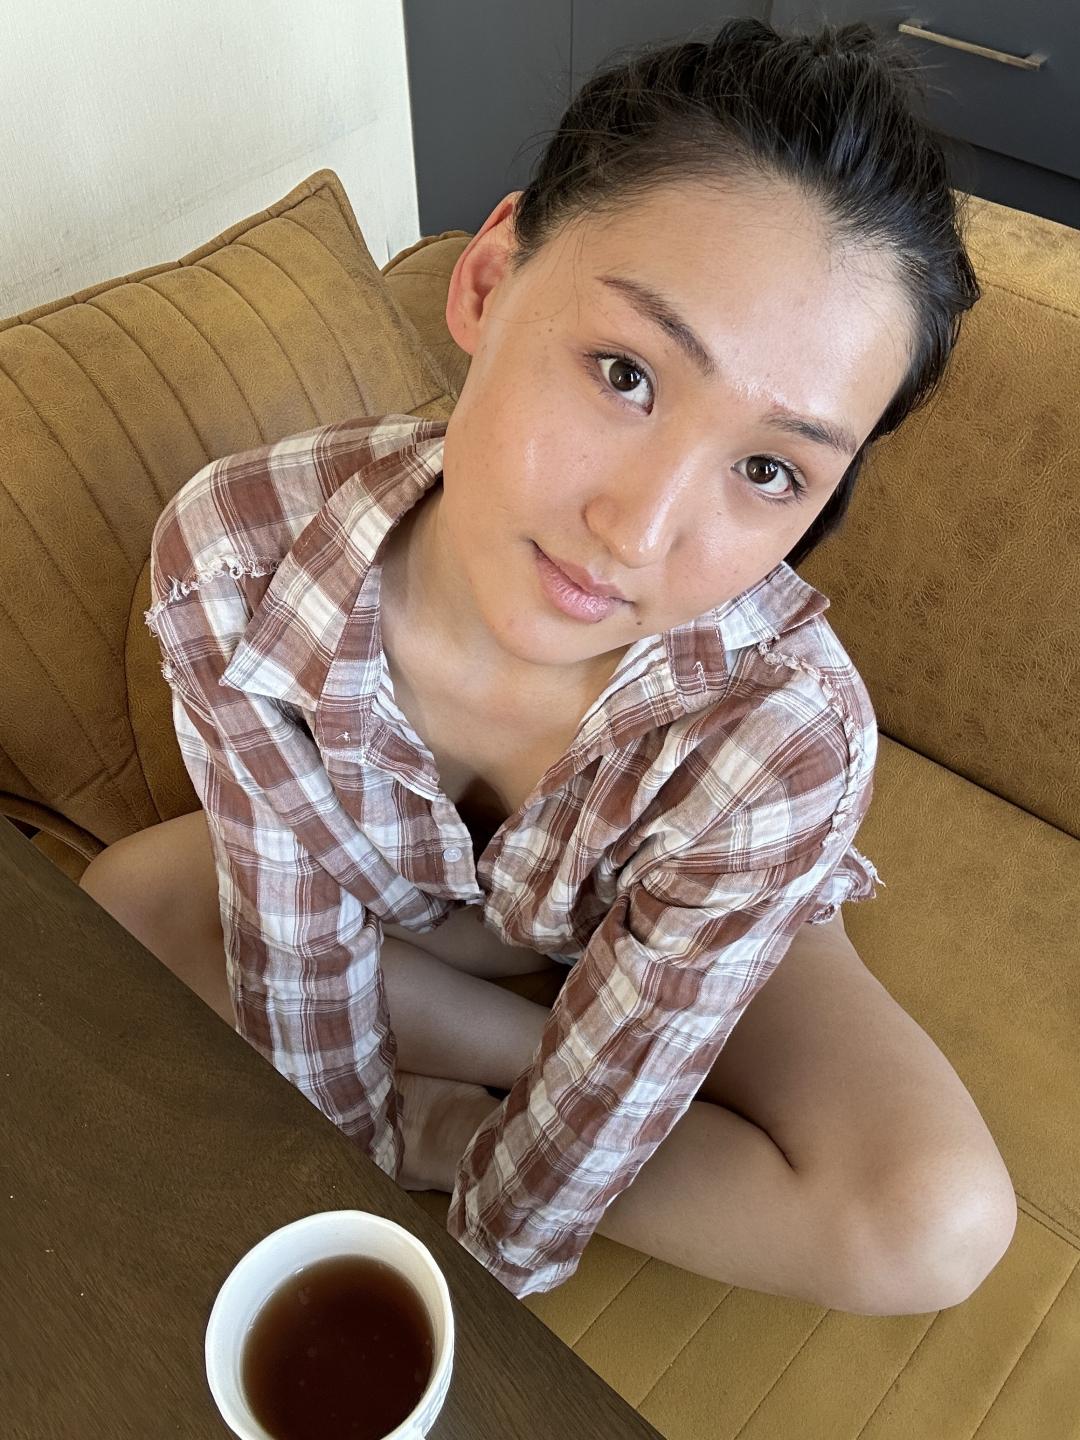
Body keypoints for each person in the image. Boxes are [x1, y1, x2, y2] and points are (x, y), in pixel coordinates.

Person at [79, 18, 1017, 1308]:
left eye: (767, 469)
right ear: (486, 281)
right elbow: (295, 972)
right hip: (405, 900)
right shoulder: (238, 556)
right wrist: (363, 1163)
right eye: (626, 373)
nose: (635, 532)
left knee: (936, 1222)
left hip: (688, 911)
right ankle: (525, 1045)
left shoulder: (784, 735)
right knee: (120, 911)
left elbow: (580, 1146)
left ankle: (515, 1060)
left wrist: (482, 1232)